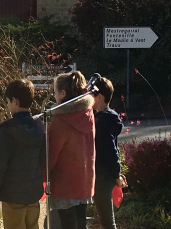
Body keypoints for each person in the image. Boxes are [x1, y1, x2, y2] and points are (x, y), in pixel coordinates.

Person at [0, 79, 45, 229]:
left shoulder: (7, 129)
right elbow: (43, 159)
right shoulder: (39, 127)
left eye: (8, 101)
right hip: (33, 192)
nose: (7, 105)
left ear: (15, 101)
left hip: (12, 194)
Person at [48, 71, 96, 229]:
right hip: (84, 178)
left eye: (55, 92)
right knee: (81, 222)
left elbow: (51, 154)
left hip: (65, 183)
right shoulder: (88, 114)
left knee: (67, 224)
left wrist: (42, 173)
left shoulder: (60, 120)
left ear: (62, 93)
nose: (54, 96)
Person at [92, 77, 125, 229]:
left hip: (103, 175)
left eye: (91, 95)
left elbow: (110, 149)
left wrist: (116, 174)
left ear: (100, 97)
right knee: (105, 216)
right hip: (104, 174)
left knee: (106, 219)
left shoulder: (102, 121)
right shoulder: (106, 117)